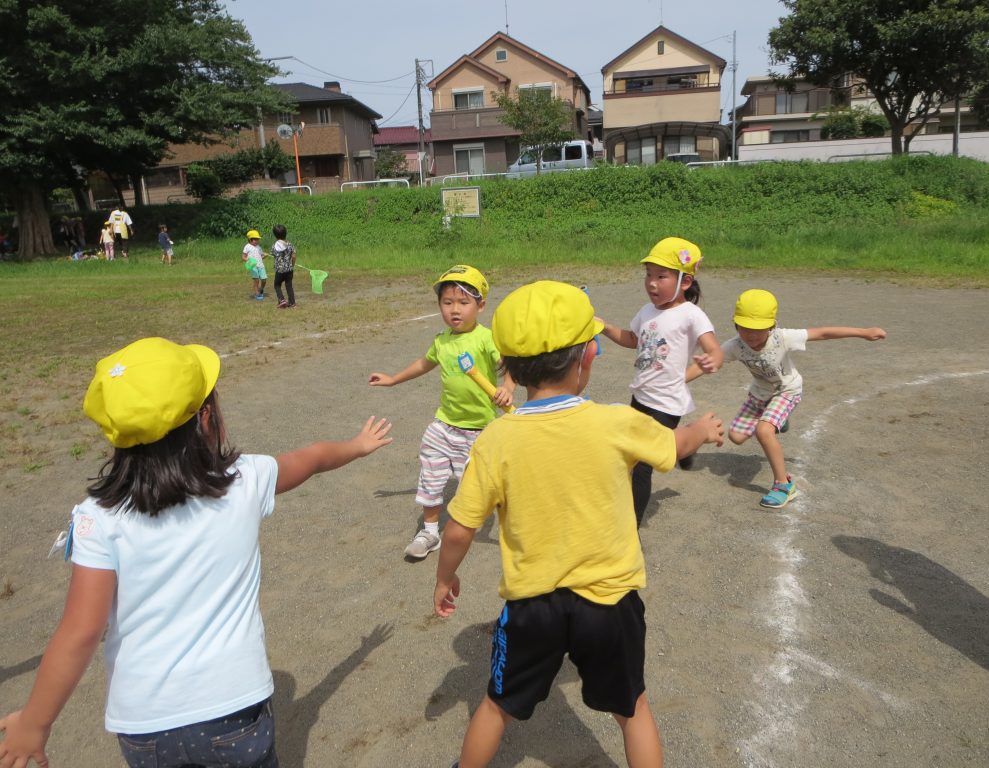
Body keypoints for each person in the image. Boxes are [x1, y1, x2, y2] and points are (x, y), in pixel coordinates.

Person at [0, 337, 392, 768]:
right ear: (206, 418)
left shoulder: (99, 516)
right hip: (234, 712)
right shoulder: (243, 480)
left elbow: (79, 631)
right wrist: (356, 446)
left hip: (144, 725)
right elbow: (313, 458)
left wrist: (35, 723)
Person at [433, 281, 724, 768]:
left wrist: (445, 577)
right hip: (610, 602)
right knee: (633, 711)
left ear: (509, 364)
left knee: (496, 706)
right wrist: (700, 429)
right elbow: (673, 446)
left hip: (532, 606)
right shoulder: (615, 423)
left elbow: (460, 528)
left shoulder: (497, 440)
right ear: (587, 356)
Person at [691, 288, 886, 508]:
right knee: (735, 436)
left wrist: (863, 332)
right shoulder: (735, 345)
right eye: (745, 328)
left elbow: (822, 333)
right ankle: (778, 421)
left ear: (772, 325)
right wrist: (676, 382)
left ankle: (784, 485)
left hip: (786, 391)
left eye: (759, 329)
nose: (751, 335)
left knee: (763, 430)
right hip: (759, 394)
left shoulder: (783, 337)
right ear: (736, 324)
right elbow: (707, 363)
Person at [368, 265, 514, 559]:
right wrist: (394, 379)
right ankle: (430, 531)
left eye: (463, 302)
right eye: (447, 303)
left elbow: (509, 366)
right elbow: (424, 364)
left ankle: (516, 519)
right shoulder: (442, 340)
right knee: (431, 475)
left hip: (479, 430)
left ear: (481, 305)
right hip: (444, 425)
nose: (454, 310)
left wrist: (508, 387)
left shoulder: (486, 338)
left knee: (478, 486)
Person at [598, 237, 724, 526]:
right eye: (648, 275)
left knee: (642, 466)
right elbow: (632, 339)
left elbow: (713, 347)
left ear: (685, 282)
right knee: (631, 455)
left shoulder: (691, 314)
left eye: (661, 276)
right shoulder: (646, 311)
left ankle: (631, 527)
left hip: (667, 402)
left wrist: (712, 359)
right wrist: (604, 327)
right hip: (640, 397)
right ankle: (686, 447)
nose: (652, 283)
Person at [270, 224, 296, 308]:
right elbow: (294, 256)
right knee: (289, 286)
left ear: (275, 235)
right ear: (286, 233)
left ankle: (281, 300)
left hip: (279, 271)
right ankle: (292, 303)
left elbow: (273, 254)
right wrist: (292, 265)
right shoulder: (290, 245)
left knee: (277, 285)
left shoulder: (274, 246)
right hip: (289, 270)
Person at [242, 229, 267, 301]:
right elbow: (243, 257)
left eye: (258, 239)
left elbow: (261, 257)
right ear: (250, 239)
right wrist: (249, 260)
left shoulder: (259, 247)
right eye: (255, 239)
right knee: (256, 280)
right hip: (253, 267)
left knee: (264, 279)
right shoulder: (247, 247)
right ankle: (257, 293)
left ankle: (261, 289)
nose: (257, 241)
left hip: (261, 266)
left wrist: (265, 256)